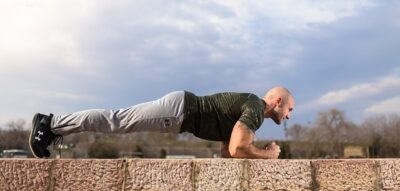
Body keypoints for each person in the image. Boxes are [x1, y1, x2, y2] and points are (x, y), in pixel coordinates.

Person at [29, 86, 295, 159]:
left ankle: (52, 125)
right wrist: (267, 155)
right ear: (278, 100)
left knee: (117, 120)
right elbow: (239, 149)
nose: (289, 116)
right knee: (116, 120)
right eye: (289, 109)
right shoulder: (256, 109)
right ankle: (51, 124)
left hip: (180, 109)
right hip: (179, 111)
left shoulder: (250, 109)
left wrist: (251, 149)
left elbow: (229, 151)